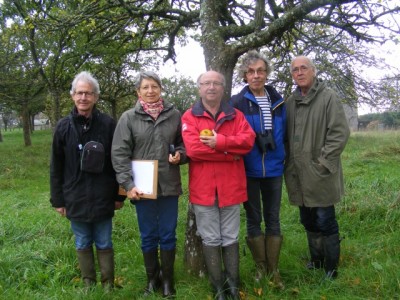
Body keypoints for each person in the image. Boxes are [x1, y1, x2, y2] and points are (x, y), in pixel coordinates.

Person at [111, 71, 187, 298]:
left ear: (160, 89)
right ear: (138, 92)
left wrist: (180, 156)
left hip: (169, 184)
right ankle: (152, 280)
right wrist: (127, 183)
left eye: (154, 86)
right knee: (148, 235)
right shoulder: (128, 118)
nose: (150, 91)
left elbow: (184, 144)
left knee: (168, 234)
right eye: (145, 87)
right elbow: (119, 153)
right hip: (141, 187)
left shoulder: (174, 115)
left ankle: (168, 282)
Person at [181, 71, 255, 300]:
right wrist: (230, 153)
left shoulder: (236, 115)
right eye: (206, 83)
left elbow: (248, 142)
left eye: (216, 83)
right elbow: (194, 150)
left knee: (231, 236)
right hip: (203, 189)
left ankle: (233, 284)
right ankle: (218, 287)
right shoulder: (189, 117)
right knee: (211, 238)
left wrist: (220, 142)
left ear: (223, 88)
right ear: (199, 88)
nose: (211, 87)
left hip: (231, 187)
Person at [50, 71, 125, 289]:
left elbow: (119, 161)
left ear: (96, 97)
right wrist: (58, 200)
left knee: (104, 241)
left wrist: (119, 195)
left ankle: (108, 283)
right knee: (82, 241)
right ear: (73, 95)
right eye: (79, 93)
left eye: (88, 93)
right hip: (75, 196)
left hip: (103, 195)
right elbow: (56, 165)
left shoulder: (109, 124)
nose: (84, 97)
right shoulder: (63, 127)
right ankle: (88, 283)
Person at [284, 56, 350, 279]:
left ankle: (331, 269)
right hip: (297, 173)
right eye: (295, 70)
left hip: (320, 173)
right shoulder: (290, 102)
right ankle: (316, 260)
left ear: (313, 71)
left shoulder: (328, 97)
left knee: (325, 220)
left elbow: (339, 133)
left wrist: (323, 162)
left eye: (304, 68)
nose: (299, 72)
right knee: (307, 219)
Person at [230, 50, 286, 289]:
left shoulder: (279, 100)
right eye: (251, 72)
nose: (256, 75)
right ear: (245, 75)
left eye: (261, 71)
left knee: (273, 218)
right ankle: (260, 267)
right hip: (248, 169)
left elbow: (287, 133)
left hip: (274, 168)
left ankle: (274, 270)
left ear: (267, 74)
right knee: (254, 219)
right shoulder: (236, 103)